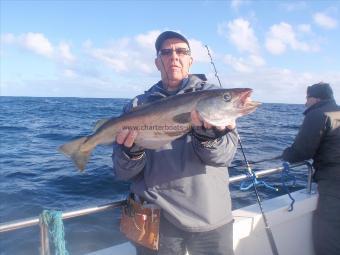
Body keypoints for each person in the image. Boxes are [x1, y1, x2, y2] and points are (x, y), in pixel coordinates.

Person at [112, 31, 238, 255]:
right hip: (155, 218)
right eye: (166, 52)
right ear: (157, 62)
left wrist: (208, 138)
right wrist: (132, 151)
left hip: (210, 216)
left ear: (190, 60)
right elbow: (123, 173)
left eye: (182, 51)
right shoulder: (136, 106)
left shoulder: (214, 98)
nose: (174, 57)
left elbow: (224, 157)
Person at [281, 82, 340, 255]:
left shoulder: (317, 114)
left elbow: (301, 152)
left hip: (334, 182)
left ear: (315, 98)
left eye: (307, 98)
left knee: (329, 235)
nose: (305, 103)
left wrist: (286, 155)